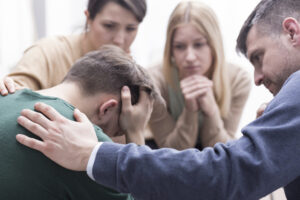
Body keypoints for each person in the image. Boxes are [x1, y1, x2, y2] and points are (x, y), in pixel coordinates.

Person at [14, 0, 300, 199]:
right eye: (179, 46)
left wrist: (93, 153)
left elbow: (231, 171)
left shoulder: (245, 80)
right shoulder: (152, 81)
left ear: (292, 32)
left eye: (259, 57)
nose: (257, 78)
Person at [0, 45, 158, 199]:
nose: (114, 140)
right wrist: (135, 132)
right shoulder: (84, 144)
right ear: (107, 109)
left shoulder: (5, 94)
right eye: (118, 132)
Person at [147, 1, 251, 150]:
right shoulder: (154, 82)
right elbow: (172, 150)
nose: (189, 57)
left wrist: (212, 111)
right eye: (179, 46)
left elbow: (224, 153)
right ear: (170, 50)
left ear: (214, 45)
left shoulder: (238, 80)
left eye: (199, 44)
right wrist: (190, 110)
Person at [0, 0, 146, 93]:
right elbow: (13, 95)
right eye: (109, 26)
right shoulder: (48, 52)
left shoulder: (133, 73)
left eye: (131, 29)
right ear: (88, 18)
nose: (119, 40)